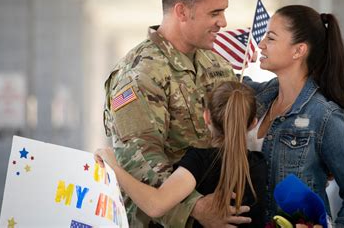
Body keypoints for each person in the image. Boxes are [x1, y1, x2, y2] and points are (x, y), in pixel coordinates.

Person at [103, 0, 249, 227]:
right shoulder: (138, 75)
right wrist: (198, 207)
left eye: (224, 11)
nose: (223, 22)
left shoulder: (216, 65)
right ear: (182, 11)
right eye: (215, 12)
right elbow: (141, 163)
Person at [244, 5, 344, 227]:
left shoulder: (324, 116)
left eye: (271, 38)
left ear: (299, 50)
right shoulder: (255, 97)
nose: (261, 44)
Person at [97, 81, 267, 228]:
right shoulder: (260, 164)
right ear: (253, 123)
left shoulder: (199, 160)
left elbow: (155, 205)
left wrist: (114, 167)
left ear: (206, 117)